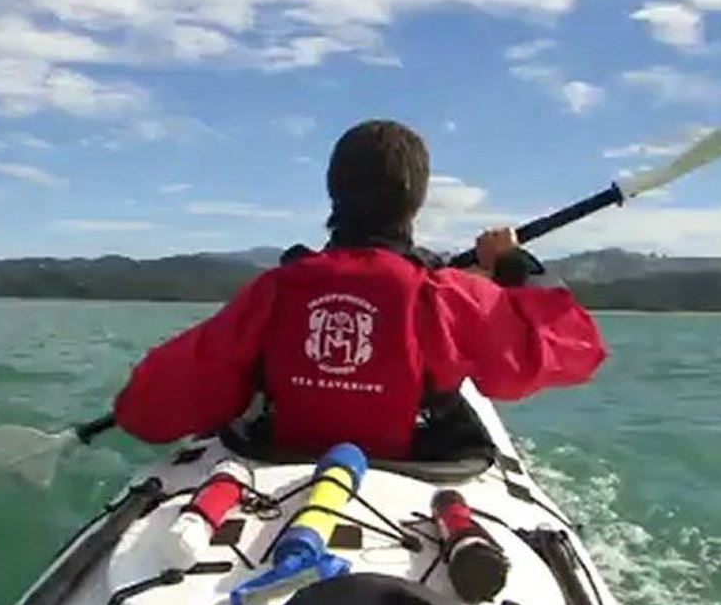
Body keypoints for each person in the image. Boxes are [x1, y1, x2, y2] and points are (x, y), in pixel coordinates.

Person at [113, 120, 606, 460]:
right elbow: (576, 351)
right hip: (414, 471)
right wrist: (514, 264)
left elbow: (144, 411)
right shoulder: (447, 296)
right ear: (416, 200)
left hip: (283, 470)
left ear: (333, 191)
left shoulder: (274, 293)